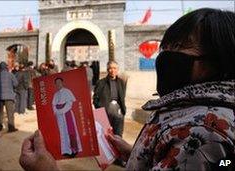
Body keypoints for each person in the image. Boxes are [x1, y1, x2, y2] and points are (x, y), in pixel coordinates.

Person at [19, 8, 235, 171]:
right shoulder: (188, 108)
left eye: (178, 47)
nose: (166, 56)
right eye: (166, 48)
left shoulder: (203, 132)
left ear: (218, 60)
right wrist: (136, 154)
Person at [93, 61, 126, 137]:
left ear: (117, 69)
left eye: (114, 68)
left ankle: (117, 148)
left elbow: (122, 97)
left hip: (118, 110)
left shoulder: (121, 82)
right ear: (107, 70)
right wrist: (99, 109)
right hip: (105, 111)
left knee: (118, 134)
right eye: (110, 68)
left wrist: (123, 109)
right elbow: (95, 98)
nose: (112, 70)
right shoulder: (101, 82)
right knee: (105, 134)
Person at [52, 77, 82, 157]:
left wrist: (61, 111)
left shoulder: (67, 91)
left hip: (67, 114)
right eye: (56, 83)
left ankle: (73, 150)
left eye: (59, 82)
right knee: (62, 132)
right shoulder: (56, 94)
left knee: (70, 132)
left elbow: (69, 104)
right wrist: (56, 111)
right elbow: (53, 105)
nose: (58, 84)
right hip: (60, 116)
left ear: (62, 83)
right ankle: (65, 150)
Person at [0, 62, 18, 132]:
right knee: (10, 113)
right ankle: (11, 127)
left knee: (0, 112)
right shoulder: (10, 75)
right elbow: (16, 84)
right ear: (6, 67)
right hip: (9, 96)